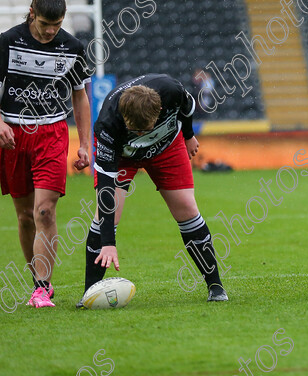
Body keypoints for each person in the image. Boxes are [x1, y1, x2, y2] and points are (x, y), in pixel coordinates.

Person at [78, 74, 227, 305]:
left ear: (159, 111)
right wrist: (108, 243)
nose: (140, 136)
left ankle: (215, 286)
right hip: (124, 156)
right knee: (105, 218)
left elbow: (188, 109)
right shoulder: (107, 125)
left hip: (167, 147)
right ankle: (89, 294)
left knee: (187, 209)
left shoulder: (171, 91)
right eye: (134, 130)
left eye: (144, 129)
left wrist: (188, 136)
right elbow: (105, 191)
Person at [0, 0, 91, 308]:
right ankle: (41, 283)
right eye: (44, 24)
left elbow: (80, 96)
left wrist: (85, 144)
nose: (51, 31)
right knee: (25, 216)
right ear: (31, 13)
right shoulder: (7, 42)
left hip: (52, 134)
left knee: (44, 211)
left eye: (57, 24)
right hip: (13, 135)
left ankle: (41, 287)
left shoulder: (74, 48)